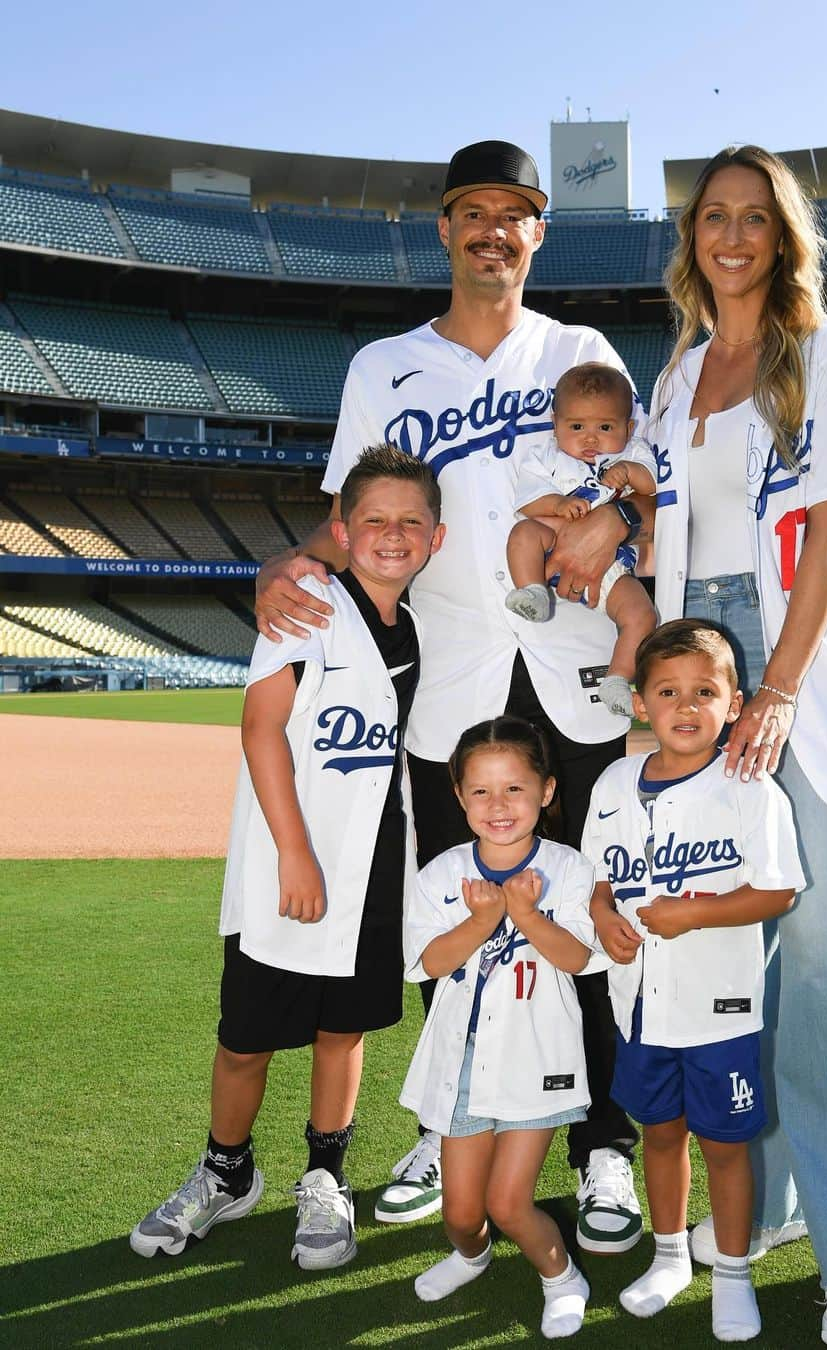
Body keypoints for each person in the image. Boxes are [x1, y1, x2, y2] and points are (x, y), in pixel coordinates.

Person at [253, 141, 644, 1253]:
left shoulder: (579, 349)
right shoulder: (386, 363)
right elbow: (354, 515)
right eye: (472, 213)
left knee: (588, 909)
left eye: (513, 215)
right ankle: (452, 1125)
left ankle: (601, 1140)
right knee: (459, 911)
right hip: (446, 685)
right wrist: (285, 562)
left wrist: (613, 520)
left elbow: (635, 480)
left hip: (576, 677)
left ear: (538, 233)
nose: (492, 231)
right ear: (444, 230)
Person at [649, 145, 827, 1350]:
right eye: (714, 215)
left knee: (821, 945)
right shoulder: (674, 376)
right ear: (692, 235)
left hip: (791, 665)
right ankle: (767, 1198)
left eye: (755, 217)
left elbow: (825, 537)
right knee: (738, 945)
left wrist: (775, 686)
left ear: (784, 233)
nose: (732, 235)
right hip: (699, 658)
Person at [130, 446, 444, 1268]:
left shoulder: (415, 626)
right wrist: (297, 853)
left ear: (436, 540)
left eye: (412, 521)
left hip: (373, 864)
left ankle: (325, 1178)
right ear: (341, 530)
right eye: (374, 519)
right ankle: (225, 1171)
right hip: (289, 863)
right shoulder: (305, 603)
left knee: (343, 1032)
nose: (393, 534)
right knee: (246, 1038)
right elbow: (262, 727)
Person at [583, 620, 803, 1341]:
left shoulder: (748, 785)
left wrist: (694, 914)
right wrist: (603, 915)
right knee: (660, 1133)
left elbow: (776, 892)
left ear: (734, 703)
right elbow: (598, 879)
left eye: (704, 692)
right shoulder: (615, 782)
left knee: (725, 1144)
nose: (686, 706)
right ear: (641, 703)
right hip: (639, 1009)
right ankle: (671, 1256)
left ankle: (734, 1274)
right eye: (668, 691)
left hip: (720, 1010)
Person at [400, 717, 595, 1339]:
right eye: (480, 791)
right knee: (461, 1213)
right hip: (463, 1060)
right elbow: (425, 964)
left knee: (508, 1202)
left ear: (546, 791)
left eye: (515, 788)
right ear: (458, 797)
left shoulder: (567, 868)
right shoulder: (441, 873)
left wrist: (523, 913)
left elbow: (577, 958)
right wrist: (482, 921)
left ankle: (561, 1275)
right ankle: (470, 1256)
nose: (498, 805)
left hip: (535, 1058)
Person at [506, 361, 658, 716]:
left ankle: (618, 680)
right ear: (555, 425)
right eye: (576, 426)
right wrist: (558, 504)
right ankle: (533, 591)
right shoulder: (546, 457)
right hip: (552, 543)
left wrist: (630, 472)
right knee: (523, 534)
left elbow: (653, 488)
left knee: (642, 617)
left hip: (611, 562)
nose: (591, 438)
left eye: (605, 426)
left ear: (628, 426)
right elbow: (527, 502)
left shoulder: (632, 451)